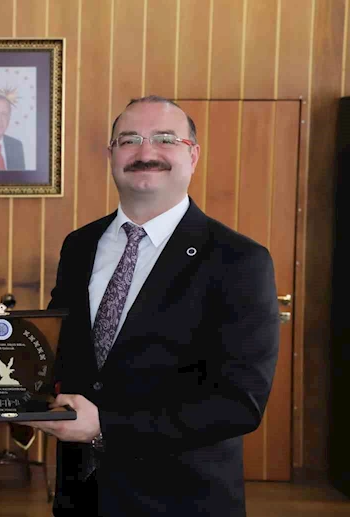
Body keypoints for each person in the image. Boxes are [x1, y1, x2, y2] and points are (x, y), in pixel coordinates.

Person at [28, 95, 280, 516]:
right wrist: (5, 392)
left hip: (182, 499)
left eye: (165, 139)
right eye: (129, 140)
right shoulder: (80, 245)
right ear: (111, 155)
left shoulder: (238, 259)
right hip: (82, 496)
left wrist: (106, 427)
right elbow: (63, 351)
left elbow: (241, 402)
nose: (145, 152)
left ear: (192, 155)